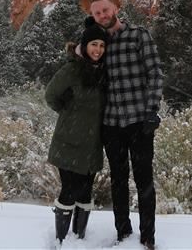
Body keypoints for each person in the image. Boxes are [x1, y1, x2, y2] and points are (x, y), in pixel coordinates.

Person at [88, 0, 163, 250]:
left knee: (144, 179)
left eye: (105, 10)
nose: (102, 15)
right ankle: (122, 232)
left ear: (115, 8)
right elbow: (81, 61)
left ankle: (147, 236)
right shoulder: (98, 44)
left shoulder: (139, 35)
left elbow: (155, 73)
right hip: (111, 124)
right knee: (118, 180)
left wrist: (152, 110)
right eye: (97, 13)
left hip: (139, 121)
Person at [44, 22, 109, 244]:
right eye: (93, 44)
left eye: (102, 45)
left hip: (92, 144)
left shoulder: (104, 72)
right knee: (69, 190)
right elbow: (51, 95)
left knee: (86, 192)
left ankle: (79, 239)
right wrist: (67, 109)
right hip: (69, 141)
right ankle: (62, 240)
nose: (98, 49)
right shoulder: (72, 69)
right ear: (85, 45)